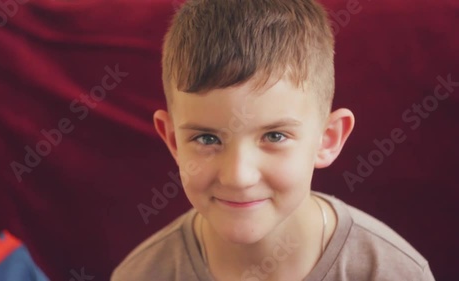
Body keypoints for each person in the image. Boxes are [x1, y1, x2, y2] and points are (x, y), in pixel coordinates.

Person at [111, 0, 435, 280]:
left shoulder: (392, 272)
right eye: (207, 138)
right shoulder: (141, 274)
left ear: (328, 139)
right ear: (173, 141)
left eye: (275, 136)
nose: (238, 177)